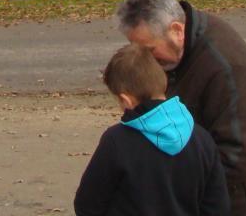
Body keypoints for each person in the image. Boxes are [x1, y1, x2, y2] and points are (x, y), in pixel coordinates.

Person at [117, 0, 246, 216]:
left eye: (149, 50)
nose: (145, 60)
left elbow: (238, 159)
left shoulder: (230, 72)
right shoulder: (180, 47)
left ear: (177, 30)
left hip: (240, 206)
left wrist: (165, 184)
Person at [73, 44, 230, 216]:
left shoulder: (116, 141)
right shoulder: (202, 139)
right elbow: (217, 206)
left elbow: (87, 203)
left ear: (126, 100)